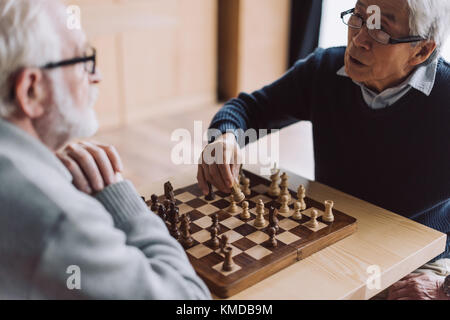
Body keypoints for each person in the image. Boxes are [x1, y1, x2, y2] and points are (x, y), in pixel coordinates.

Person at [197, 0, 450, 300]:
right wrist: (224, 138)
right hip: (331, 233)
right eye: (358, 17)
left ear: (421, 51)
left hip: (418, 262)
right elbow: (248, 109)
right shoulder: (325, 70)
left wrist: (443, 288)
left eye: (381, 30)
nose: (358, 39)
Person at [0, 0, 210, 300]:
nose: (96, 75)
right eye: (82, 60)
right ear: (31, 90)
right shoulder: (59, 220)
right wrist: (121, 199)